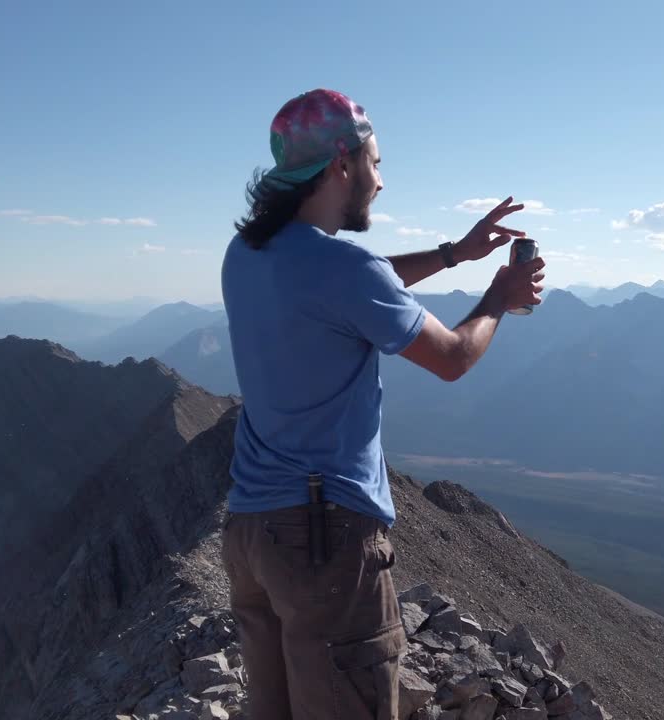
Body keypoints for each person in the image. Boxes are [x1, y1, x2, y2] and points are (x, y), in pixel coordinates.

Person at [219, 88, 545, 720]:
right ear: (342, 164)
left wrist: (455, 255)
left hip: (252, 533)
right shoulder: (342, 269)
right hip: (324, 538)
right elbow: (452, 357)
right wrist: (499, 299)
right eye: (376, 162)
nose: (381, 180)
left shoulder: (249, 253)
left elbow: (359, 281)